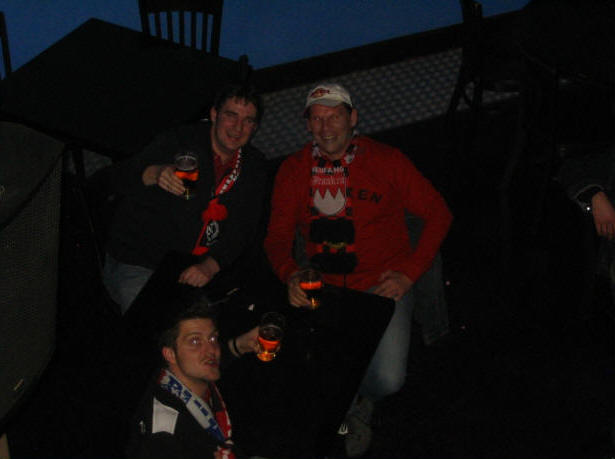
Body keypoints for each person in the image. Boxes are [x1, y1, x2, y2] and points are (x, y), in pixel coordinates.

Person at [264, 82, 453, 456]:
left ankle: (354, 400)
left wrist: (409, 273)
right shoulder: (293, 170)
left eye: (334, 116)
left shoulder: (387, 160)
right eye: (317, 119)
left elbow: (439, 214)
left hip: (383, 286)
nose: (326, 127)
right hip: (323, 288)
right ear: (308, 125)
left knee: (388, 379)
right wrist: (290, 274)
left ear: (353, 118)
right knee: (305, 370)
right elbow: (276, 237)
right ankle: (346, 406)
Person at [103, 84, 268, 314]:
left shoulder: (253, 166)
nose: (238, 128)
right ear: (214, 114)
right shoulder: (178, 142)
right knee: (151, 323)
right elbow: (110, 180)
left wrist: (210, 266)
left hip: (196, 267)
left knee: (239, 315)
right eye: (231, 115)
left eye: (248, 121)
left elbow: (243, 229)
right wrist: (155, 173)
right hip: (140, 262)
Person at [126, 300, 259, 459]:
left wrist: (240, 345)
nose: (212, 350)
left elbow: (212, 360)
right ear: (170, 354)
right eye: (195, 341)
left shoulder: (180, 376)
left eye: (212, 338)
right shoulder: (165, 434)